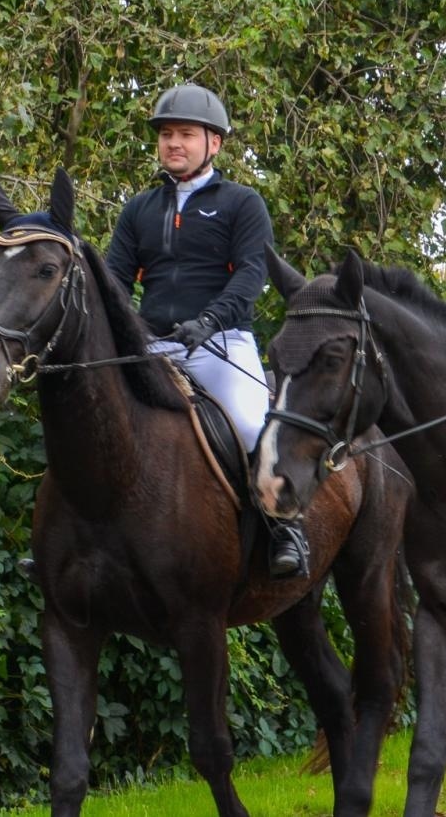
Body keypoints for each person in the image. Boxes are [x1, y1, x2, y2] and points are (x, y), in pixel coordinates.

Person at [102, 83, 306, 578]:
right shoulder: (139, 209)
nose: (173, 143)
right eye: (167, 134)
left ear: (214, 142)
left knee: (250, 422)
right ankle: (80, 535)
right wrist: (120, 332)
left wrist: (210, 321)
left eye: (186, 134)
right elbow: (113, 279)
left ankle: (284, 529)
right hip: (149, 346)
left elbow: (251, 275)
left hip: (220, 343)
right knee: (95, 414)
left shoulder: (242, 203)